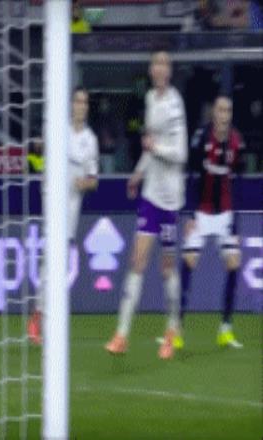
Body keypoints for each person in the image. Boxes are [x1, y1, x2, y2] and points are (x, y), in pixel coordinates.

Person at [105, 52, 187, 360]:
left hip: (170, 197)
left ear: (169, 70)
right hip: (151, 193)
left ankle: (172, 328)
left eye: (165, 63)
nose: (159, 68)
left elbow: (179, 153)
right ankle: (121, 334)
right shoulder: (151, 98)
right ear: (151, 70)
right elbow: (149, 149)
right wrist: (138, 174)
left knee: (167, 268)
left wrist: (156, 147)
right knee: (137, 261)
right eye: (156, 63)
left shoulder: (175, 104)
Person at [28, 87, 99, 345]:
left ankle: (42, 314)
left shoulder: (90, 140)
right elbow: (39, 156)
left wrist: (84, 183)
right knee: (52, 256)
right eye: (78, 101)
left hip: (72, 206)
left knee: (58, 262)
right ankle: (39, 317)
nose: (82, 106)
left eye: (85, 102)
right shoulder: (58, 129)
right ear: (71, 105)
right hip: (52, 199)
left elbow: (94, 179)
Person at [178, 95, 246, 349]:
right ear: (214, 113)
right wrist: (190, 214)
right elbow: (191, 176)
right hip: (202, 212)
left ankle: (225, 329)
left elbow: (238, 184)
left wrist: (235, 224)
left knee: (233, 263)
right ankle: (176, 328)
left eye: (228, 110)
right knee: (189, 262)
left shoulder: (237, 141)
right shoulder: (201, 137)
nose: (224, 114)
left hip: (225, 213)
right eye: (220, 110)